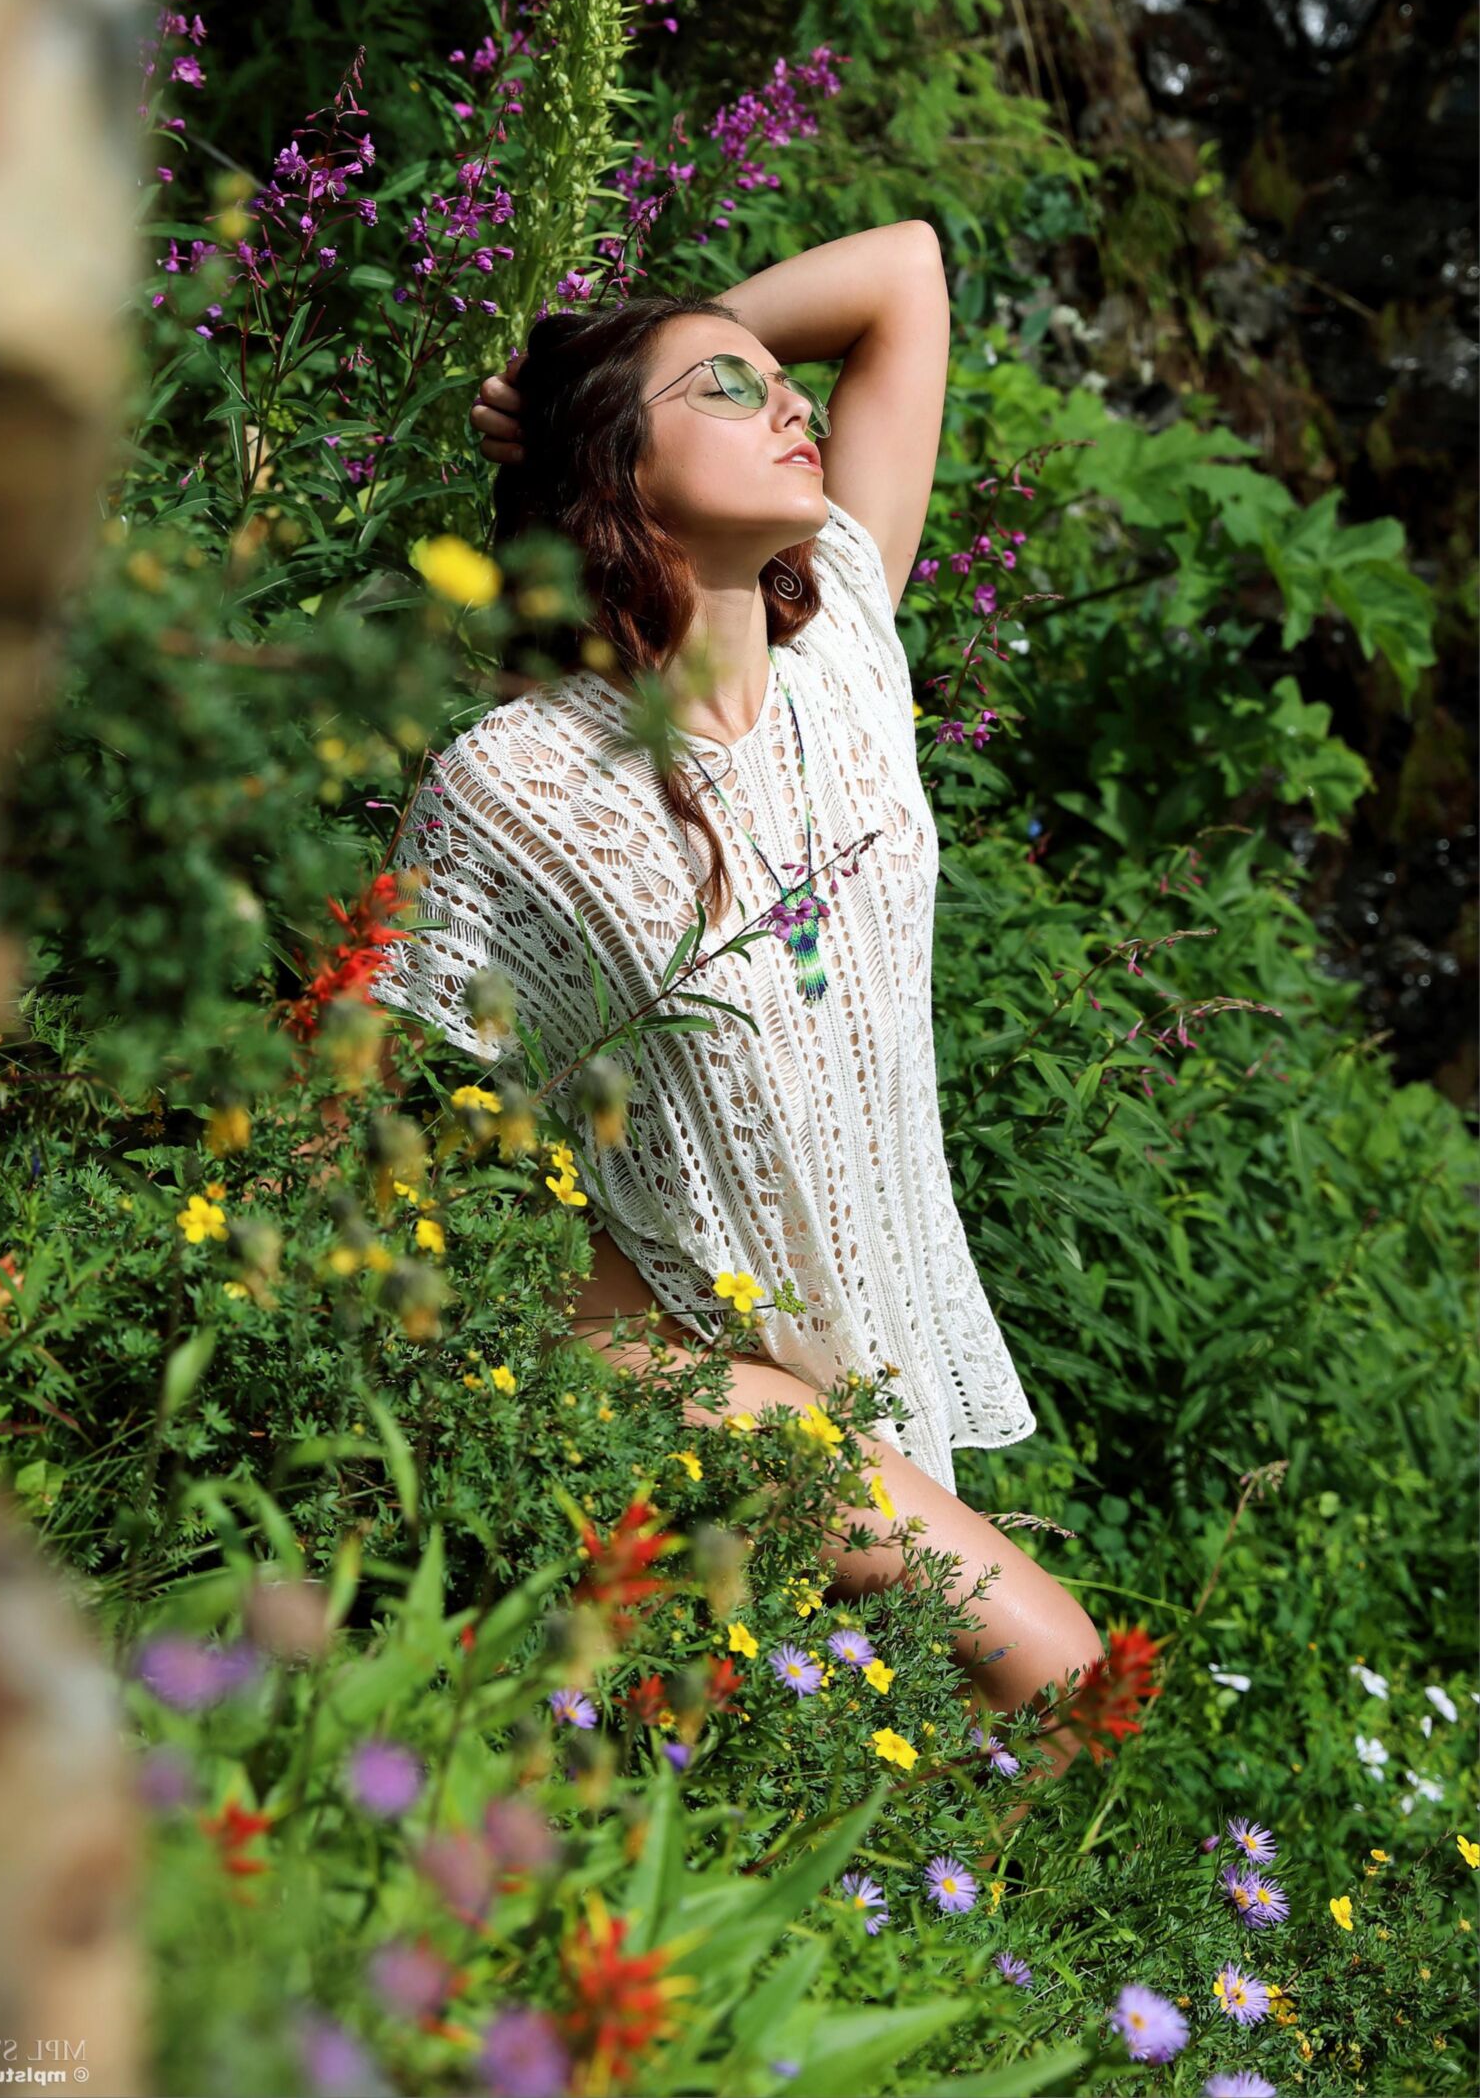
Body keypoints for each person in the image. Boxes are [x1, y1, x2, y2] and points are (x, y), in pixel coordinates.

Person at [375, 222, 1103, 1813]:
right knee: (1063, 1676)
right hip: (684, 1370)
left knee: (847, 1775)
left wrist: (620, 370)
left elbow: (907, 269)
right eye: (730, 389)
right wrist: (586, 387)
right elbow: (386, 1107)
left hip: (870, 1356)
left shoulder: (840, 634)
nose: (788, 405)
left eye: (786, 386)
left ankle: (906, 1958)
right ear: (619, 474)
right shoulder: (518, 786)